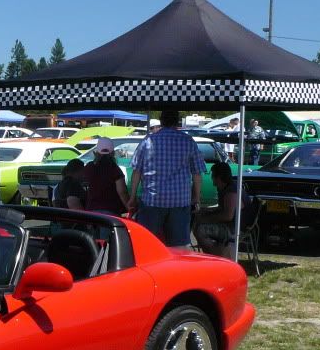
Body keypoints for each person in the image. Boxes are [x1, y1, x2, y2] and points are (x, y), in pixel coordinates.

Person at [128, 108, 205, 247]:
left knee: (147, 244)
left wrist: (132, 197)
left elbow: (136, 172)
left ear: (161, 121)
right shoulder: (188, 141)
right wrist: (196, 197)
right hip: (180, 201)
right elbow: (197, 174)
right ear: (177, 121)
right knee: (179, 246)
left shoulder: (148, 141)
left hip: (152, 201)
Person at [194, 162, 244, 259]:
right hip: (232, 225)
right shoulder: (227, 188)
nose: (212, 179)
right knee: (199, 223)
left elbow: (227, 216)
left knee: (200, 230)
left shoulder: (231, 191)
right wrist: (206, 211)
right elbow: (223, 209)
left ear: (219, 177)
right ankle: (215, 253)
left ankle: (215, 257)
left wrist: (206, 219)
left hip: (235, 229)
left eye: (213, 176)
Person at [84, 137, 129, 215]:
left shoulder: (89, 167)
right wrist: (129, 208)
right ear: (113, 153)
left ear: (96, 153)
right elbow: (122, 191)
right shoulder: (115, 169)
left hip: (91, 212)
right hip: (110, 213)